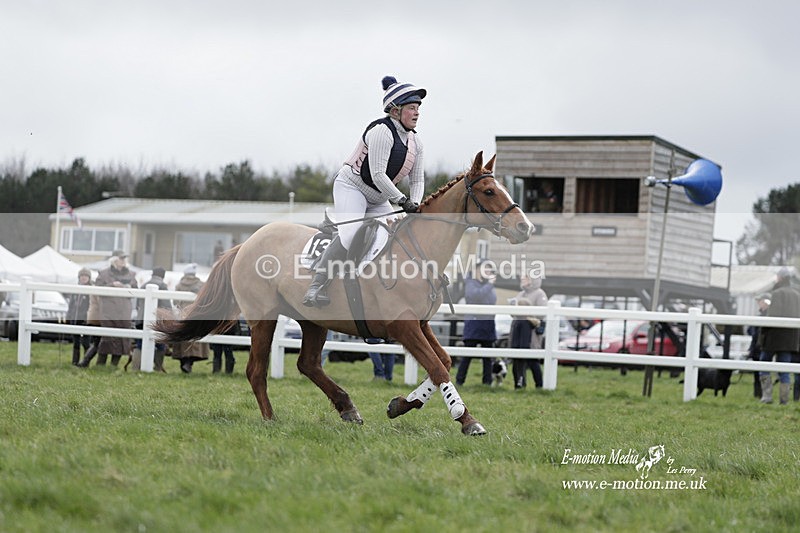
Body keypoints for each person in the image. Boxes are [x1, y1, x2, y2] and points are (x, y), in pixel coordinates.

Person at [303, 75, 426, 307]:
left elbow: (417, 179)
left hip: (379, 196)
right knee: (350, 235)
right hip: (353, 187)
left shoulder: (416, 143)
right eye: (411, 108)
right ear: (395, 111)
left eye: (418, 108)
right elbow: (378, 174)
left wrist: (415, 204)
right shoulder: (381, 131)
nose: (417, 113)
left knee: (392, 238)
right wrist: (402, 200)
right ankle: (316, 285)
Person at [80, 250, 138, 367]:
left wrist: (127, 287)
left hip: (124, 312)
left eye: (124, 259)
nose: (123, 261)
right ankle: (100, 365)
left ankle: (113, 365)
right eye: (121, 259)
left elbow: (136, 290)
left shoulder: (131, 274)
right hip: (108, 311)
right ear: (114, 260)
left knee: (121, 339)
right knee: (106, 339)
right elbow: (98, 290)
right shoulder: (104, 274)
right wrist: (112, 286)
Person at [759, 267, 800, 404]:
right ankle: (784, 400)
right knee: (785, 369)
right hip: (790, 339)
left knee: (764, 364)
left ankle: (767, 397)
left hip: (774, 338)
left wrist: (763, 334)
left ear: (781, 278)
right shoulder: (797, 294)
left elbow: (773, 317)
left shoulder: (776, 293)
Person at [455, 260, 498, 386]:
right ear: (477, 270)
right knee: (467, 355)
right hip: (474, 324)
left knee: (487, 357)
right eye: (485, 269)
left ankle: (487, 382)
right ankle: (459, 381)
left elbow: (491, 301)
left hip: (487, 325)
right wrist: (489, 285)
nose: (488, 272)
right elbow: (474, 295)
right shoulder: (471, 282)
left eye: (490, 270)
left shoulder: (488, 286)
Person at [131, 267, 172, 372]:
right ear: (163, 275)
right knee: (160, 345)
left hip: (141, 319)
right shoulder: (162, 285)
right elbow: (166, 305)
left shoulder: (144, 285)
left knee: (139, 344)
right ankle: (157, 368)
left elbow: (137, 303)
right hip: (156, 321)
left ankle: (135, 368)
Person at [512, 275, 547, 389]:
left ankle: (539, 385)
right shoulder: (520, 294)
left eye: (526, 278)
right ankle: (519, 384)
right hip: (518, 330)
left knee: (532, 360)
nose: (522, 280)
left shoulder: (540, 294)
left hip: (532, 333)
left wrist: (528, 313)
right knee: (517, 359)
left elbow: (542, 313)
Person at [172, 263, 208, 373]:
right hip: (197, 315)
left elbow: (175, 301)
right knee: (195, 339)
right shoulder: (202, 285)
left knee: (183, 339)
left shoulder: (179, 285)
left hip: (183, 314)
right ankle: (189, 363)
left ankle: (184, 362)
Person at [65, 268, 92, 365]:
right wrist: (68, 317)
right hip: (75, 319)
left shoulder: (91, 290)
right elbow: (71, 305)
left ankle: (85, 362)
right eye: (82, 276)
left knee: (86, 343)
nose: (84, 278)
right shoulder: (75, 289)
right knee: (76, 342)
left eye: (86, 276)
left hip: (85, 319)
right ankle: (74, 362)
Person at [747, 293, 771, 398]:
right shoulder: (760, 316)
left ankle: (762, 394)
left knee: (761, 372)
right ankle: (759, 394)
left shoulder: (765, 317)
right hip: (757, 348)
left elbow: (752, 332)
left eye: (760, 301)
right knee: (758, 373)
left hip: (761, 347)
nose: (758, 304)